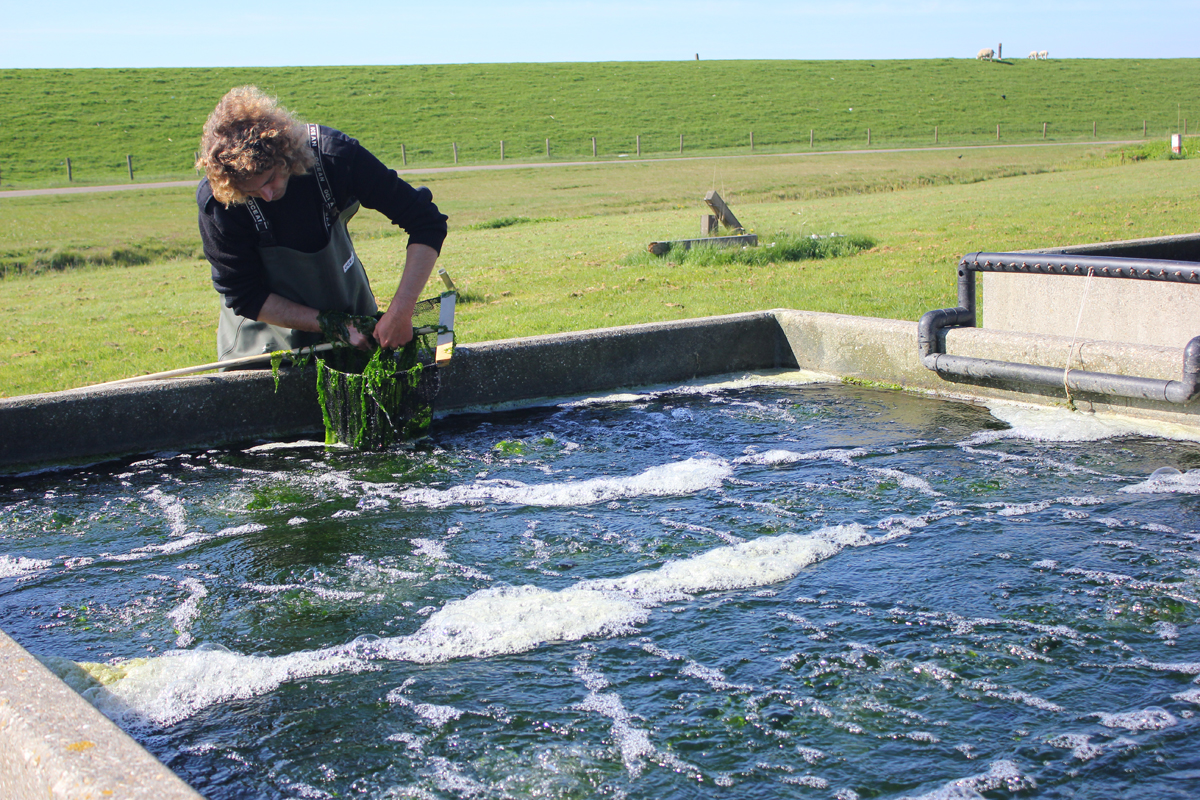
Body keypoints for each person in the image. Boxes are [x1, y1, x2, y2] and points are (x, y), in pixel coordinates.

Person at [195, 86, 448, 360]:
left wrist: (400, 311)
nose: (266, 195)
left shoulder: (334, 157)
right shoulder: (218, 202)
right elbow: (244, 295)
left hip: (354, 323)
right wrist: (333, 325)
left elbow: (426, 222)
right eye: (251, 191)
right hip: (264, 342)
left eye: (270, 180)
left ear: (285, 155)